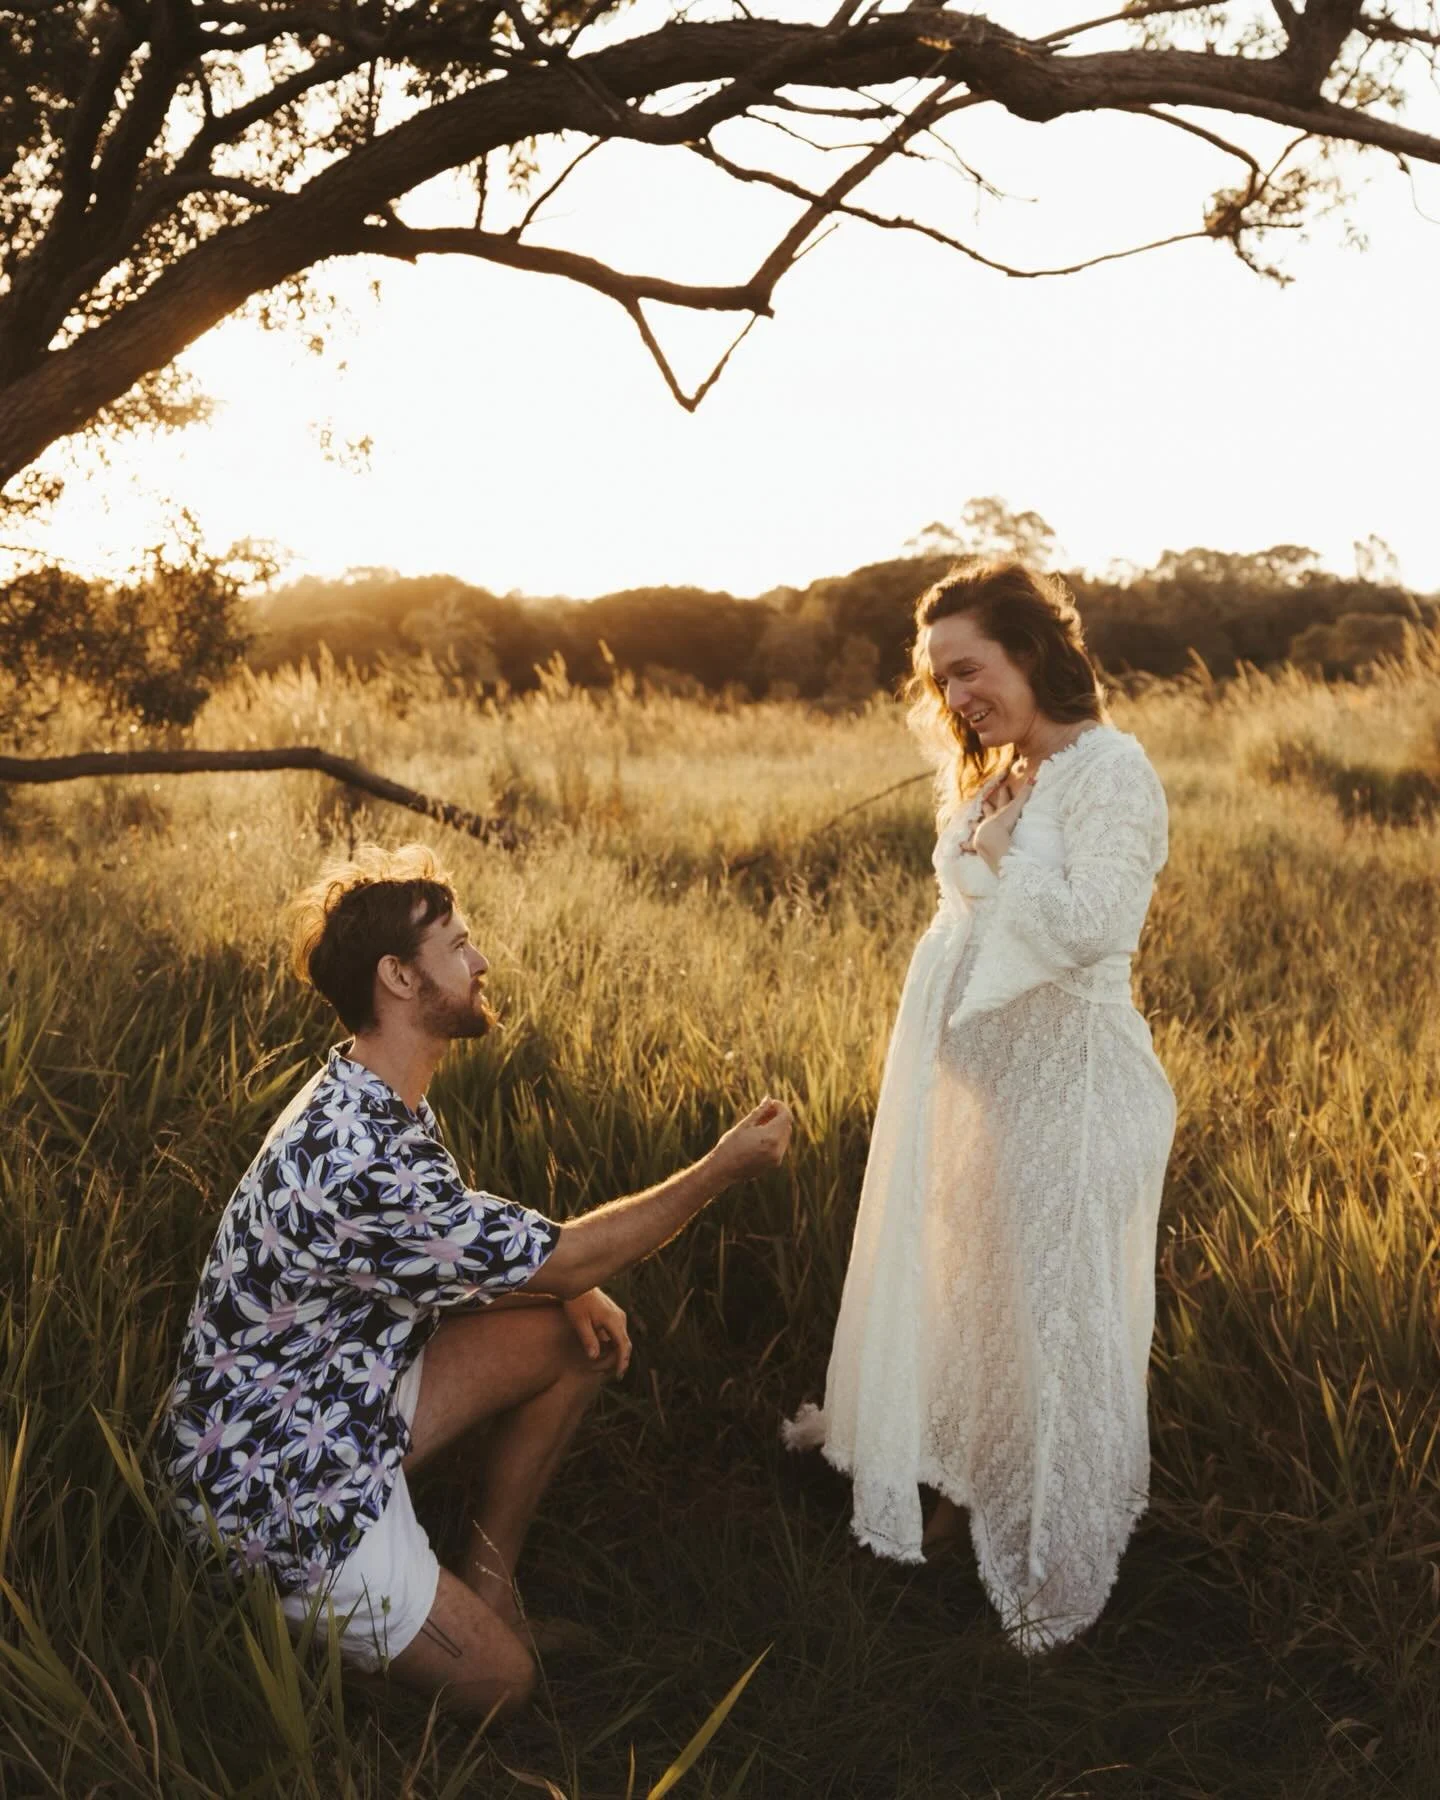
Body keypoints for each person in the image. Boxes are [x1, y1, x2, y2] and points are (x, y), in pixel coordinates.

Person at [159, 844, 791, 1716]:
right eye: (458, 946)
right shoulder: (359, 1157)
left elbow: (451, 1250)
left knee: (570, 1337)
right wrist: (720, 1168)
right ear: (399, 978)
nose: (481, 961)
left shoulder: (374, 1092)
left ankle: (490, 1596)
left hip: (339, 1395)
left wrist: (565, 1287)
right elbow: (566, 1252)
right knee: (503, 1684)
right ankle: (312, 1657)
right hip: (278, 1487)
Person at [785, 560, 1175, 1654]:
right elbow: (966, 920)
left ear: (1032, 652)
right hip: (980, 1098)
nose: (955, 697)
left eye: (969, 669)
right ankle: (968, 1496)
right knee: (976, 1314)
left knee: (1057, 1326)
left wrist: (1002, 853)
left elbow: (1097, 926)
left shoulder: (1110, 770)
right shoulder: (1005, 771)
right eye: (939, 678)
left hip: (1074, 1091)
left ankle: (1055, 1566)